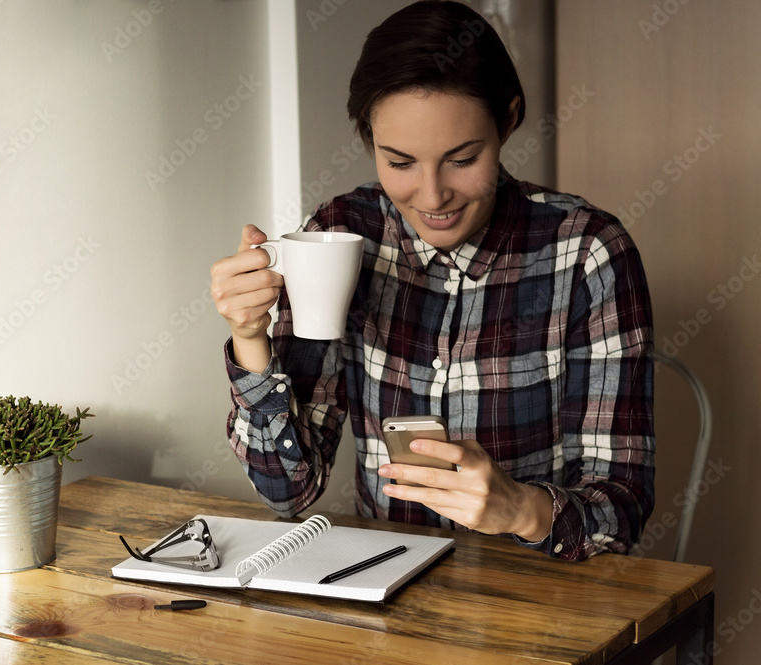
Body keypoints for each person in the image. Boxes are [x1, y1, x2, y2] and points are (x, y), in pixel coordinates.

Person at [209, 1, 653, 562]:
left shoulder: (589, 253)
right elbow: (288, 491)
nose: (433, 195)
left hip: (546, 602)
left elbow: (623, 511)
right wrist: (251, 341)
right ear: (369, 138)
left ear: (508, 120)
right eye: (399, 163)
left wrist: (519, 509)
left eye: (462, 159)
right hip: (383, 594)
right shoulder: (339, 237)